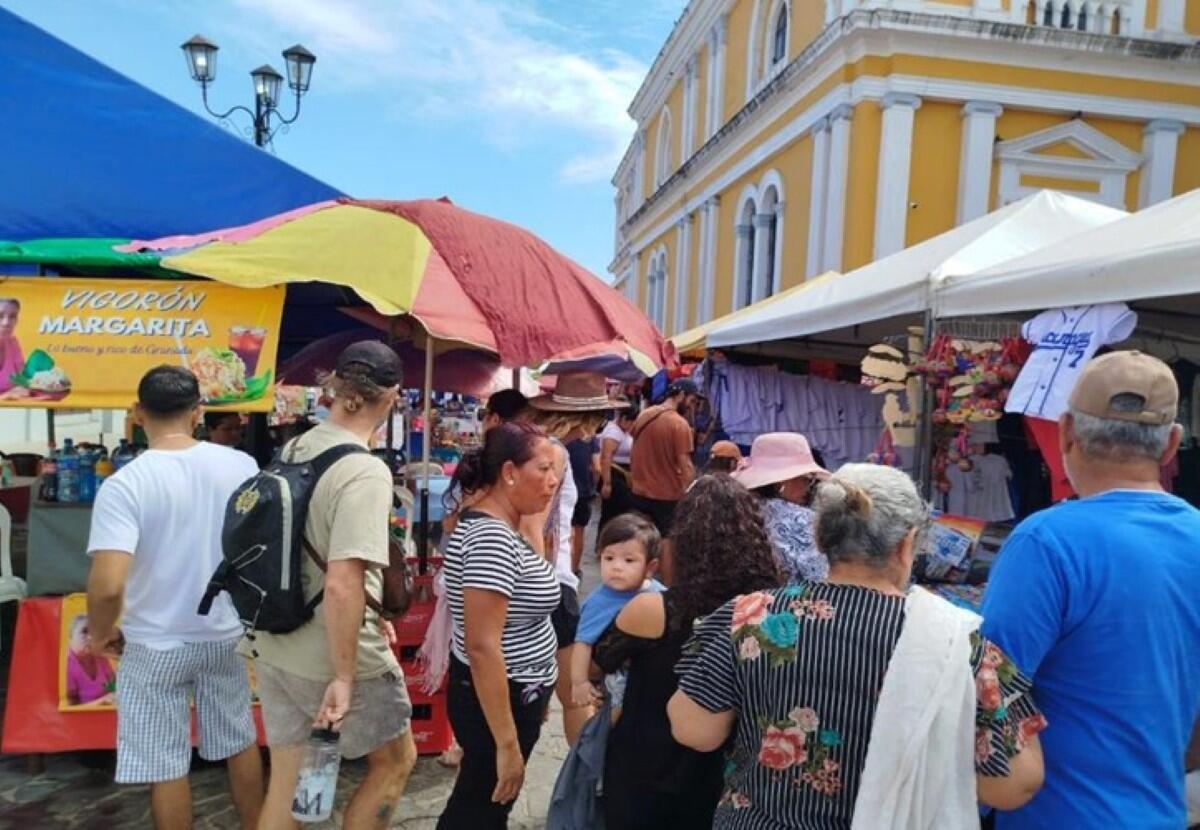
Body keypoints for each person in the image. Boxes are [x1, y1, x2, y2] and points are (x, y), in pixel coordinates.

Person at [670, 464, 1047, 829]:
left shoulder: (750, 617)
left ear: (820, 537)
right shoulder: (957, 643)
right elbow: (1014, 785)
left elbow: (694, 730)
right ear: (907, 544)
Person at [982, 350, 1200, 829]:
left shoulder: (1045, 542)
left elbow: (987, 694)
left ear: (1065, 432)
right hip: (1160, 813)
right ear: (1171, 445)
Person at [86, 365, 263, 829]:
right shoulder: (241, 466)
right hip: (225, 633)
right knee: (239, 740)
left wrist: (101, 634)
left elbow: (107, 585)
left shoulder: (125, 484)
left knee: (165, 763)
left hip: (153, 641)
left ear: (138, 412)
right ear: (198, 411)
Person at [250, 342, 417, 830]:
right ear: (392, 397)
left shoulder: (296, 447)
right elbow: (343, 581)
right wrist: (344, 677)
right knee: (394, 762)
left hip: (275, 639)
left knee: (287, 779)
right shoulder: (365, 471)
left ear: (336, 388)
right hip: (330, 653)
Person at [591, 474, 783, 828]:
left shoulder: (652, 611)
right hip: (728, 774)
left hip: (644, 769)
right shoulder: (768, 613)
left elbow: (597, 664)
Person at [437, 421, 562, 827]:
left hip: (513, 691)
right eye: (543, 469)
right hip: (496, 697)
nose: (553, 480)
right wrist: (507, 743)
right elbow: (482, 646)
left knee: (483, 803)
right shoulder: (491, 538)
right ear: (509, 472)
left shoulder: (500, 523)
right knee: (482, 806)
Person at [526, 371, 630, 746]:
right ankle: (584, 778)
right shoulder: (554, 453)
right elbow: (541, 523)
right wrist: (544, 575)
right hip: (551, 580)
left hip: (545, 577)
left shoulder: (539, 447)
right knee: (575, 691)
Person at [569, 514, 664, 719]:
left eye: (629, 560)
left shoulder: (658, 593)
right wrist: (579, 682)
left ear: (650, 568)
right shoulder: (599, 601)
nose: (617, 567)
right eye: (608, 558)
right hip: (614, 677)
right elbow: (583, 643)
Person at [629, 378, 702, 582]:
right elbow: (685, 464)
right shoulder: (679, 425)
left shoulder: (645, 415)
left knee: (641, 538)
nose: (692, 406)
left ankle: (637, 580)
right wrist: (691, 492)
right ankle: (667, 590)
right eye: (692, 400)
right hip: (666, 494)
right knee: (667, 543)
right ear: (680, 395)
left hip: (639, 490)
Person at [733, 432, 831, 583]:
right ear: (782, 483)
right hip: (789, 603)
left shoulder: (737, 513)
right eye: (806, 479)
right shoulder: (802, 520)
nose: (809, 487)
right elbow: (819, 578)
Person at [597, 405, 637, 532]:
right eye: (631, 422)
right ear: (624, 419)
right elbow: (606, 457)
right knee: (613, 512)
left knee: (616, 512)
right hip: (614, 474)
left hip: (622, 474)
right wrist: (607, 483)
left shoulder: (623, 431)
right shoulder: (613, 433)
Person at [564, 433, 599, 577]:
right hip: (583, 491)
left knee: (565, 529)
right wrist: (594, 485)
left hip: (563, 490)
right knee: (579, 531)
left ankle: (562, 565)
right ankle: (574, 568)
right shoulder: (591, 439)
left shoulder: (563, 437)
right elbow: (597, 467)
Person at [65, 615, 115, 706]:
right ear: (70, 638)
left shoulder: (100, 657)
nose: (91, 638)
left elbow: (113, 685)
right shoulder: (67, 665)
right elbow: (70, 710)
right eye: (84, 631)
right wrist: (102, 701)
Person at [0, 297, 26, 398]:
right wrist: (5, 396)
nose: (6, 323)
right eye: (0, 316)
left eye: (12, 317)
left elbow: (23, 380)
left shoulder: (13, 344)